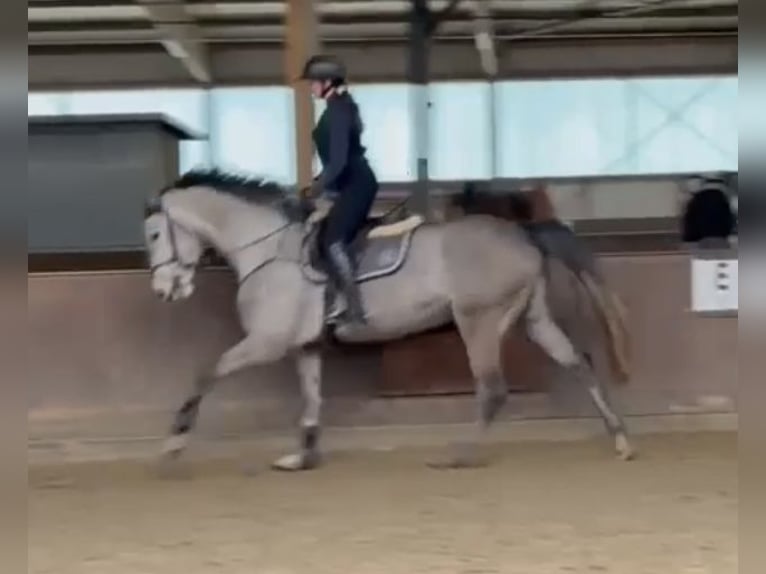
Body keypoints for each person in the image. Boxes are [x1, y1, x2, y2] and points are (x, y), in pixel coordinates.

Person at [302, 54, 379, 324]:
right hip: (346, 183)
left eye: (313, 82)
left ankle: (354, 306)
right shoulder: (339, 106)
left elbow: (339, 161)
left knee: (332, 241)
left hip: (355, 183)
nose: (311, 87)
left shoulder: (338, 110)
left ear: (327, 82)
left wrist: (317, 187)